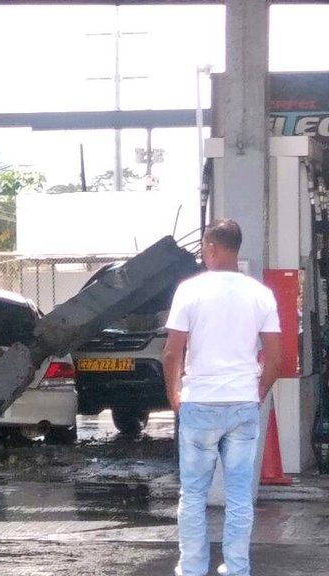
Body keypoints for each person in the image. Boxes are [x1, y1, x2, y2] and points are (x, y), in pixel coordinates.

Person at [163, 219, 282, 576]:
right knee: (239, 496)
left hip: (200, 403)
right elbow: (276, 359)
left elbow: (172, 353)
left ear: (210, 247)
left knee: (194, 495)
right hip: (242, 403)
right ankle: (238, 568)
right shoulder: (260, 294)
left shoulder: (189, 290)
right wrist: (256, 394)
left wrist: (175, 394)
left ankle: (193, 567)